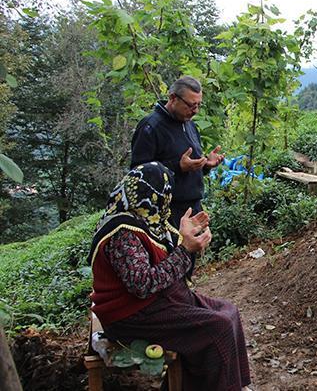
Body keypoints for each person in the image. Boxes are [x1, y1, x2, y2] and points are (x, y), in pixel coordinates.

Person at [88, 162, 252, 391]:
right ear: (155, 196)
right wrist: (186, 249)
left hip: (156, 303)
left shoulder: (146, 219)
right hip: (131, 315)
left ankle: (231, 384)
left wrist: (186, 235)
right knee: (219, 327)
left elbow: (162, 258)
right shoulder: (123, 232)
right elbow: (143, 284)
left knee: (229, 311)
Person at [131, 76, 225, 229]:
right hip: (166, 214)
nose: (195, 111)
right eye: (191, 105)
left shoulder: (190, 125)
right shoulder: (150, 127)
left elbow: (190, 168)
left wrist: (206, 164)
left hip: (193, 207)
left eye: (198, 105)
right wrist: (177, 167)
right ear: (173, 98)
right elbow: (138, 175)